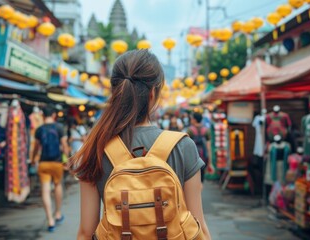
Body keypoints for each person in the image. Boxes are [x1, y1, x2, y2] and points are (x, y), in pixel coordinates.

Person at [70, 50, 211, 240]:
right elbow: (198, 225)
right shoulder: (183, 146)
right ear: (153, 93)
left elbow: (86, 232)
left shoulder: (95, 148)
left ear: (115, 91)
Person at [31, 106, 70, 232]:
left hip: (43, 164)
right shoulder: (59, 127)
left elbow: (36, 148)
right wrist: (67, 160)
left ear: (43, 116)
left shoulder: (39, 129)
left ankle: (50, 220)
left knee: (45, 191)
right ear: (54, 115)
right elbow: (64, 146)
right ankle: (58, 213)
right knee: (58, 186)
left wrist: (32, 160)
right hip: (57, 163)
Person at [187, 112, 212, 183]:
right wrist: (210, 162)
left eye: (191, 118)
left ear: (194, 120)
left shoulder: (190, 130)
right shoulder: (206, 130)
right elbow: (208, 147)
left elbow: (187, 146)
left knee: (193, 179)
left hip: (192, 158)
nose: (191, 120)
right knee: (201, 179)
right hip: (203, 157)